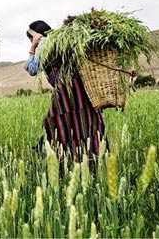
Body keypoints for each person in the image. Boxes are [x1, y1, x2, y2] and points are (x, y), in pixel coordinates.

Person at [23, 20, 107, 167]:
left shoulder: (43, 44)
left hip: (65, 92)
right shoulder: (62, 41)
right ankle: (94, 159)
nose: (30, 41)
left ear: (36, 35)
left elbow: (32, 69)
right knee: (87, 123)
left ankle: (62, 161)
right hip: (81, 90)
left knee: (57, 123)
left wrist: (33, 47)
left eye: (30, 38)